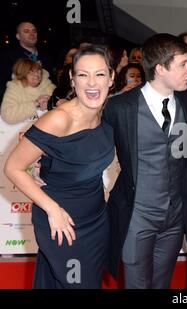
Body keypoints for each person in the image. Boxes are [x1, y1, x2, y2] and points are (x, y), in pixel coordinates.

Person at [3, 44, 115, 288]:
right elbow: (12, 167)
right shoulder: (59, 119)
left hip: (96, 219)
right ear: (73, 81)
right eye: (83, 75)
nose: (92, 83)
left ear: (111, 77)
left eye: (99, 74)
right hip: (61, 222)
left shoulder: (106, 114)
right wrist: (53, 210)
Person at [103, 33, 187, 289]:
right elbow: (96, 151)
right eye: (183, 64)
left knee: (162, 284)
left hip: (175, 217)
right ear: (159, 68)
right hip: (137, 215)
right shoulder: (120, 107)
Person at [0, 21, 54, 105]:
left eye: (34, 31)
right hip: (21, 106)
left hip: (45, 105)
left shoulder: (46, 56)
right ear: (18, 36)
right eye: (26, 31)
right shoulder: (8, 57)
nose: (32, 33)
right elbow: (5, 84)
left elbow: (51, 81)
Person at [1, 59, 55, 124]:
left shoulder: (47, 85)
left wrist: (49, 105)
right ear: (22, 74)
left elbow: (60, 105)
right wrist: (36, 103)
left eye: (38, 71)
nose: (36, 74)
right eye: (31, 72)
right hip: (21, 130)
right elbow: (7, 115)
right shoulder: (15, 88)